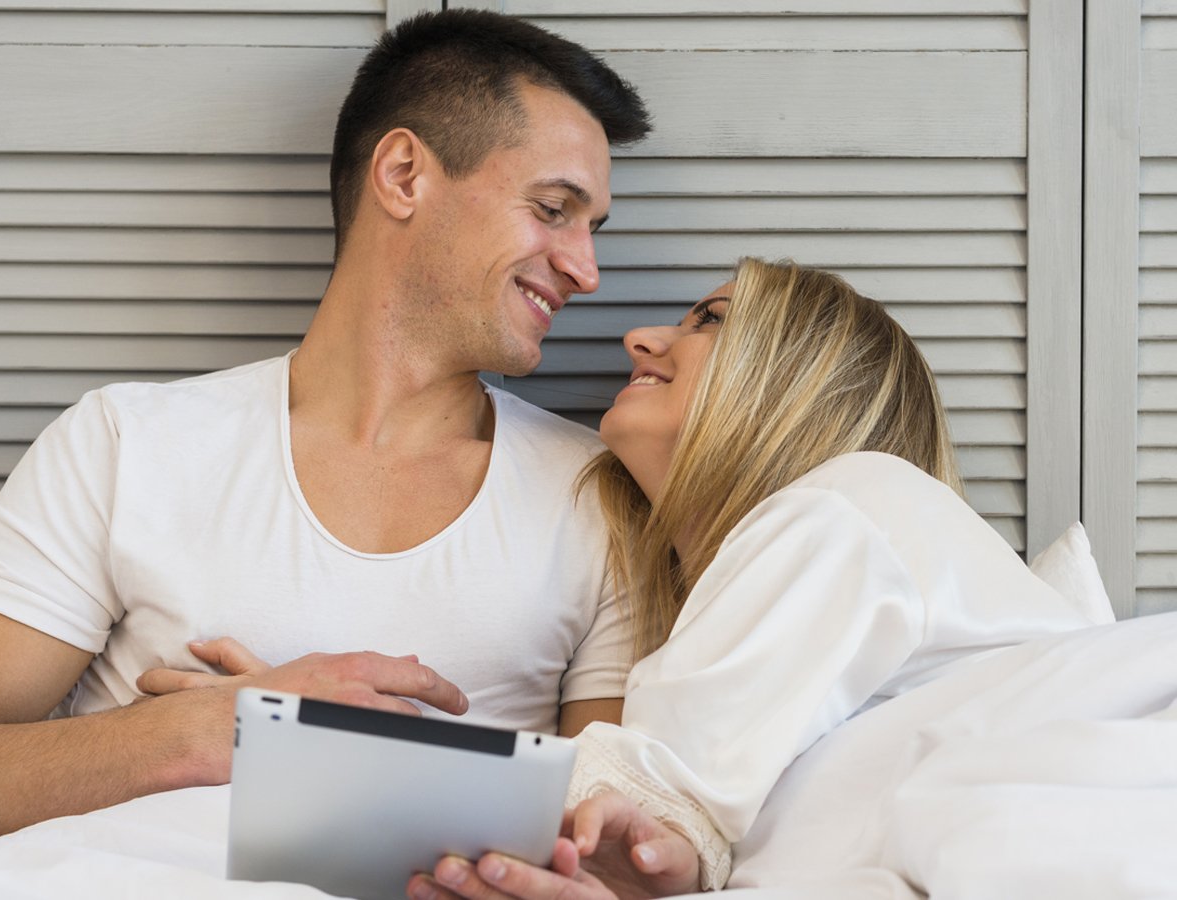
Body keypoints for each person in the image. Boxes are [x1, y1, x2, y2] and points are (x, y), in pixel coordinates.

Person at [0, 9, 651, 837]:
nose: (586, 270)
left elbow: (598, 842)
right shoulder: (124, 444)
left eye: (594, 228)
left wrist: (316, 754)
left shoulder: (597, 497)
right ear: (403, 174)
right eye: (553, 209)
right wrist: (188, 736)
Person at [409, 258, 1108, 900]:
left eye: (709, 320)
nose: (638, 339)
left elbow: (648, 795)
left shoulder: (857, 500)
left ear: (803, 382)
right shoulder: (757, 676)